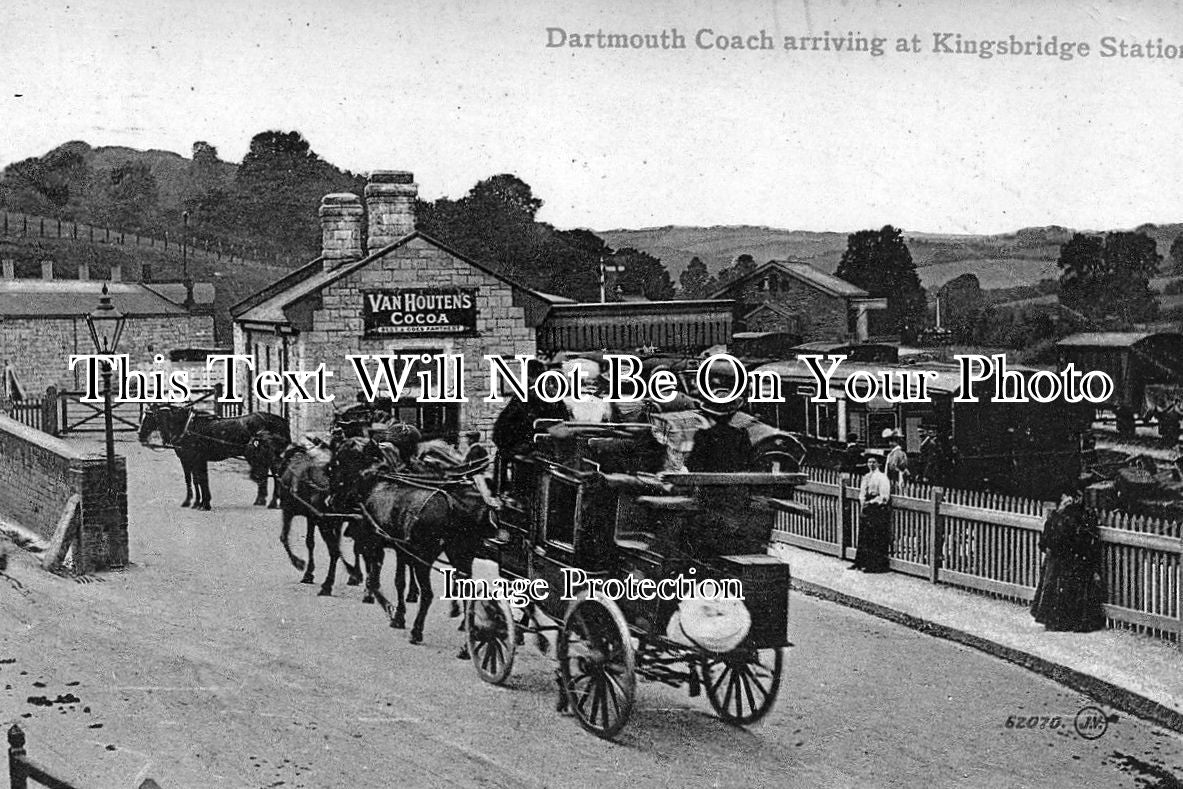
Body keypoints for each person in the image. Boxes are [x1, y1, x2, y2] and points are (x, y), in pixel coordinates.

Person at [1030, 486, 1106, 632]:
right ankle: (1057, 621)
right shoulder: (1057, 516)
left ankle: (1068, 621)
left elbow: (1086, 539)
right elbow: (1047, 540)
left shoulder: (1084, 516)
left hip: (1076, 559)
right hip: (1060, 559)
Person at [685, 399, 756, 473]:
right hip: (735, 479)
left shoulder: (703, 435)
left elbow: (693, 466)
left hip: (709, 479)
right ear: (731, 415)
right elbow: (748, 464)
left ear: (710, 415)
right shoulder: (741, 435)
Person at [850, 455, 892, 573]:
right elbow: (862, 492)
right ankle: (860, 562)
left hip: (876, 509)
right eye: (869, 462)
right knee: (863, 535)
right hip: (866, 507)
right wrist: (863, 501)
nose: (871, 464)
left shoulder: (882, 477)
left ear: (878, 464)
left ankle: (874, 565)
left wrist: (872, 502)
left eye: (874, 462)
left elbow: (884, 496)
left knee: (874, 537)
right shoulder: (866, 477)